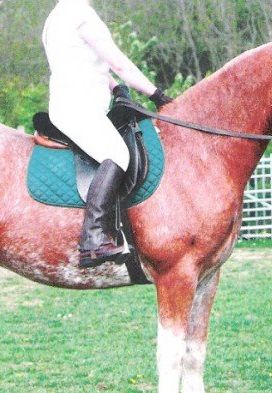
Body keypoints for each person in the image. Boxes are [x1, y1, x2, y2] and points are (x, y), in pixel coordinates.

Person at [42, 0, 172, 268]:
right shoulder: (81, 14)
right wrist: (157, 95)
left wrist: (116, 90)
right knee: (116, 154)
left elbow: (90, 64)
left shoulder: (56, 17)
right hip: (79, 107)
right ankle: (93, 239)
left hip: (71, 104)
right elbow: (119, 63)